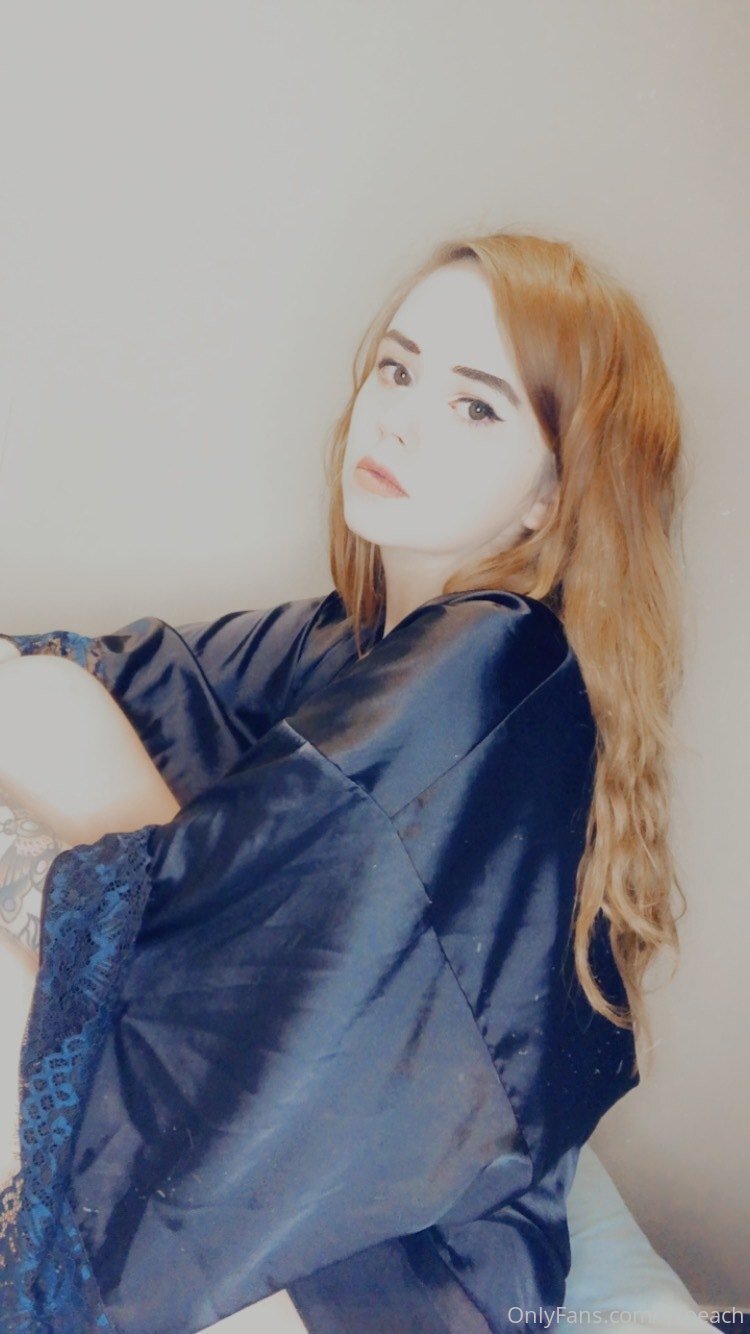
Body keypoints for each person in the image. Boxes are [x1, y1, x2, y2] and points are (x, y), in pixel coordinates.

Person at [0, 230, 687, 1333]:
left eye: (476, 406)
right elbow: (123, 677)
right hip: (291, 1175)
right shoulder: (346, 635)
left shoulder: (501, 656)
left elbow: (276, 925)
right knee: (46, 699)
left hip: (388, 1264)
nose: (399, 418)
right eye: (398, 370)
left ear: (551, 496)